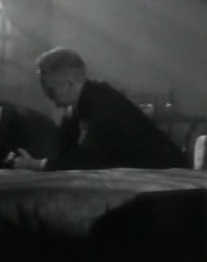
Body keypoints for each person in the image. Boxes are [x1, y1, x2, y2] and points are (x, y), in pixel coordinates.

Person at [11, 47, 186, 171]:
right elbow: (66, 152)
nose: (46, 94)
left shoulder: (99, 103)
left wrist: (37, 165)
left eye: (49, 88)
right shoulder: (76, 107)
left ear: (69, 85)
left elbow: (85, 161)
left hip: (166, 173)